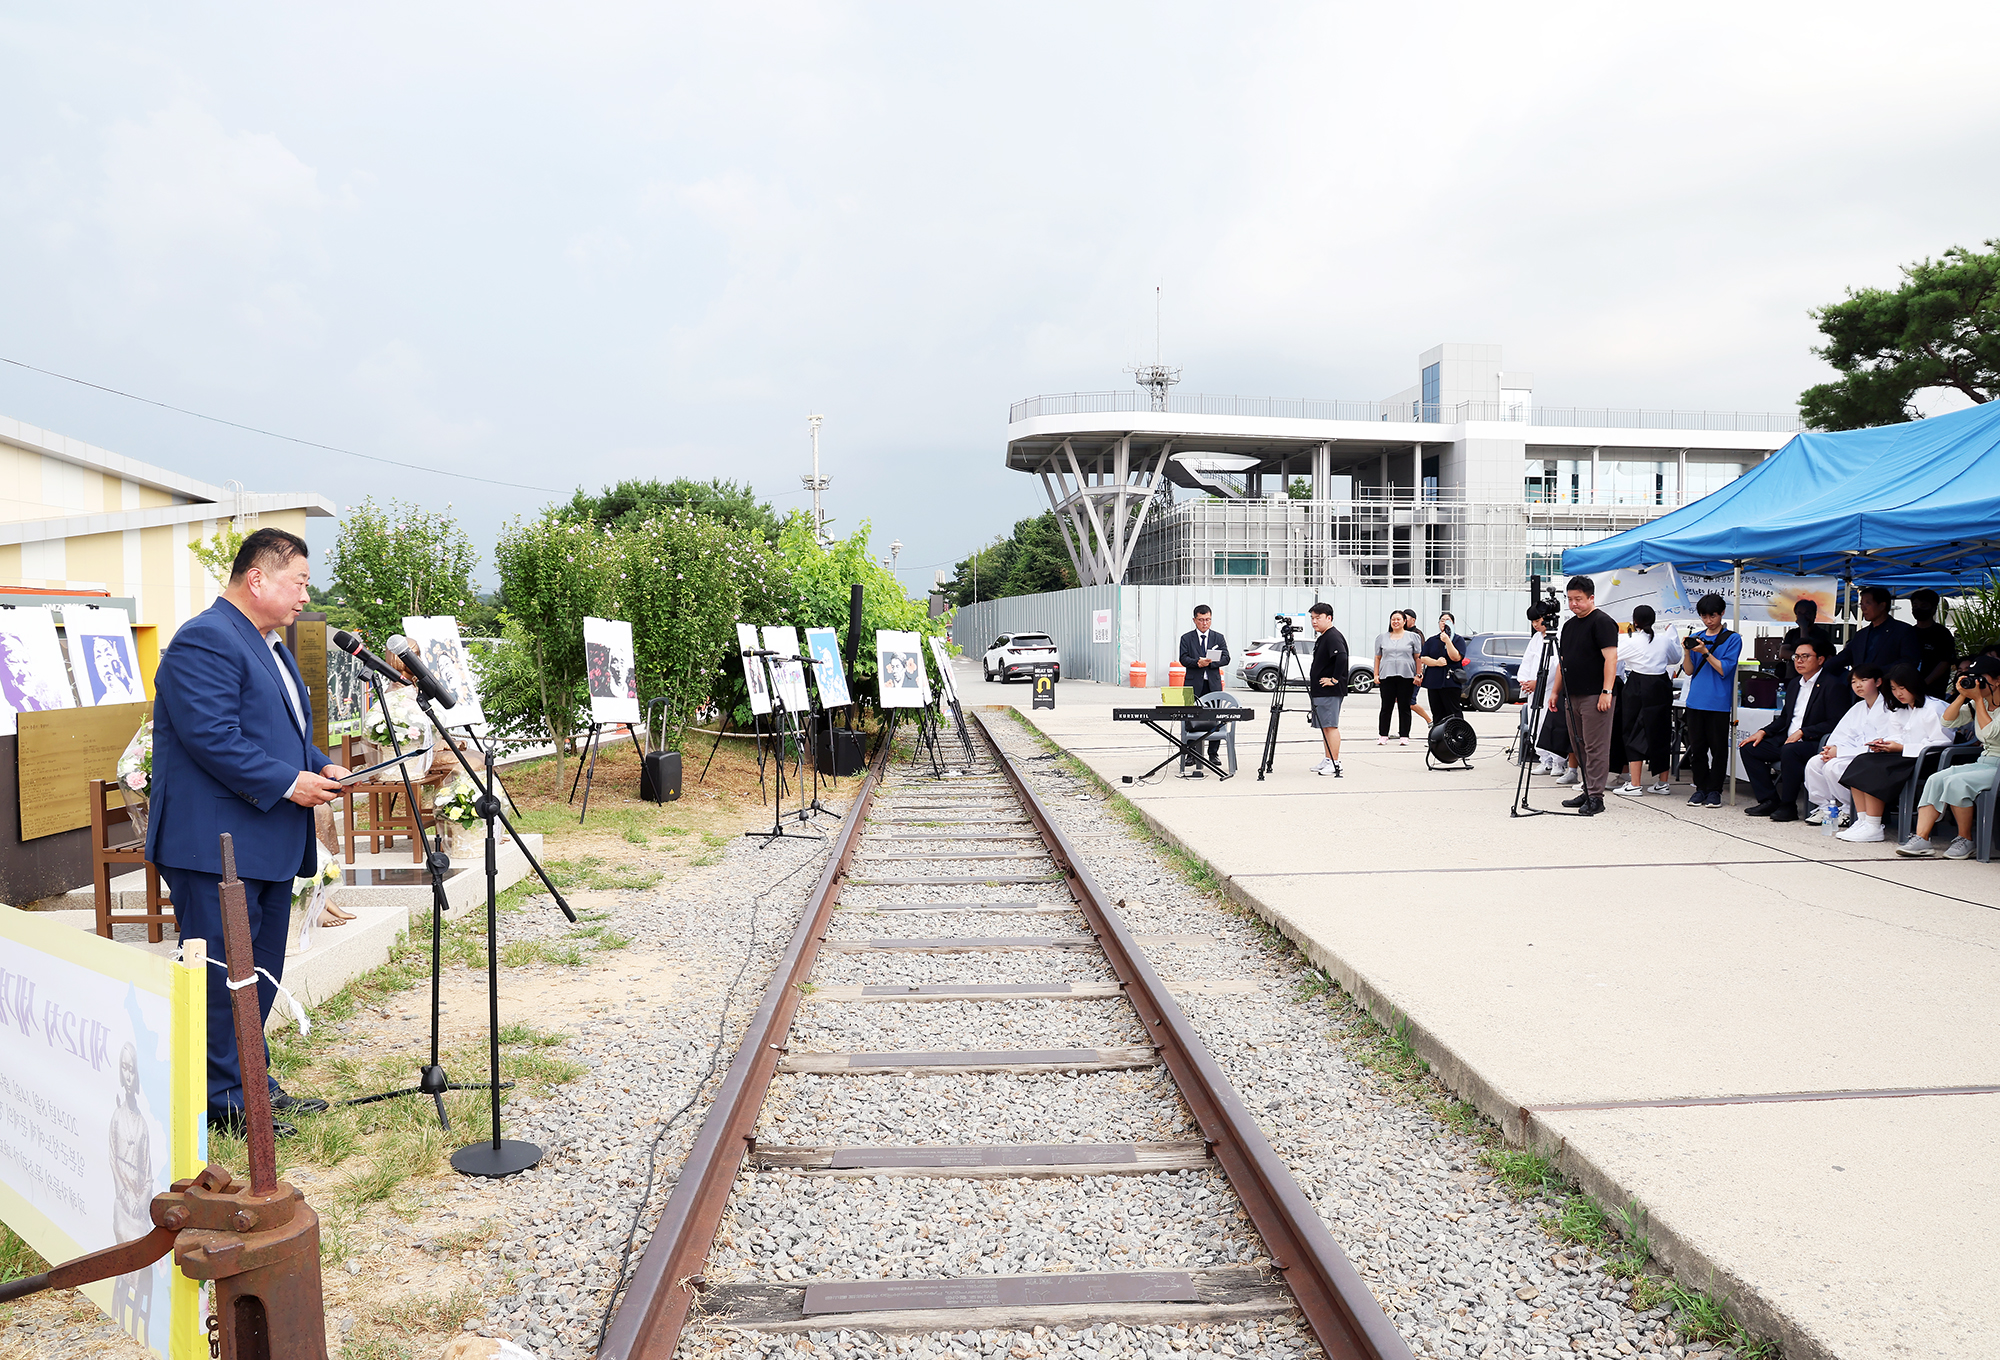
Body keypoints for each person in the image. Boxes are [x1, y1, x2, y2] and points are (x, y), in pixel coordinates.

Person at [145, 528, 346, 1140]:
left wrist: (317, 762)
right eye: (299, 582)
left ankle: (249, 1084)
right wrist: (292, 784)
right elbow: (213, 737)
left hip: (263, 840)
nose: (305, 597)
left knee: (258, 970)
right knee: (221, 974)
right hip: (215, 846)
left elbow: (276, 731)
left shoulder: (270, 645)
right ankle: (220, 1098)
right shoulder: (205, 639)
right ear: (257, 579)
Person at [1837, 664, 1958, 842]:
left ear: (1914, 685)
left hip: (1928, 759)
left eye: (1902, 688)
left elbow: (1941, 742)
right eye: (1893, 688)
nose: (1898, 693)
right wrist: (1884, 743)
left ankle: (1873, 824)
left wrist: (1900, 748)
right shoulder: (1900, 708)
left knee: (1875, 768)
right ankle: (1862, 820)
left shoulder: (1934, 707)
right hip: (1903, 755)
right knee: (1862, 760)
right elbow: (1897, 735)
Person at [1895, 654, 2000, 858]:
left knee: (1957, 781)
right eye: (1972, 677)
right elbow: (1947, 721)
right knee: (1936, 779)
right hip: (1984, 762)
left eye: (1981, 677)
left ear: (1997, 680)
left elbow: (1988, 733)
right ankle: (1922, 838)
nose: (1976, 682)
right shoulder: (1980, 704)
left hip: (1998, 767)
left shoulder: (1983, 703)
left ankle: (1965, 839)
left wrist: (1977, 698)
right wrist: (1962, 695)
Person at [1738, 635, 1851, 821]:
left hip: (1814, 742)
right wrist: (1763, 731)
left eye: (1805, 656)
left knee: (1791, 751)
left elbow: (1836, 721)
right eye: (1796, 657)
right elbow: (1785, 718)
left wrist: (1804, 732)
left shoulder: (1833, 685)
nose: (1799, 661)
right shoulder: (1794, 684)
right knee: (1750, 748)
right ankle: (1769, 800)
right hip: (1788, 738)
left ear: (1820, 659)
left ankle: (1788, 806)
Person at [1546, 575, 1619, 815]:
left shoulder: (1602, 622)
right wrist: (1556, 691)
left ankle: (1596, 796)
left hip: (1595, 695)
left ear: (1591, 598)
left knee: (1595, 746)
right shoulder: (1569, 625)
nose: (1573, 604)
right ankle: (1588, 789)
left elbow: (1611, 658)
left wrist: (1606, 691)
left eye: (1578, 599)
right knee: (1579, 746)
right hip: (1572, 694)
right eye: (1570, 599)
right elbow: (1562, 662)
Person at [1802, 664, 1890, 822]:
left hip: (1872, 756)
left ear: (1878, 682)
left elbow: (1880, 744)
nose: (1858, 685)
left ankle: (1849, 809)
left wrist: (1840, 753)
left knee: (1834, 767)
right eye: (1854, 682)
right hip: (1850, 752)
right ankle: (1826, 808)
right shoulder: (1857, 707)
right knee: (1815, 763)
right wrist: (1832, 750)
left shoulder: (1889, 708)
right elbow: (1842, 734)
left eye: (1863, 680)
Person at [1611, 604, 1681, 796]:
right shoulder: (1664, 640)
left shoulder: (1630, 640)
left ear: (1635, 622)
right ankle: (1663, 783)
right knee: (1661, 730)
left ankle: (1634, 784)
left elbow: (1612, 657)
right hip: (1660, 685)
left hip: (1637, 685)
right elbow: (1675, 658)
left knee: (1632, 730)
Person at [1679, 595, 1741, 808]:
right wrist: (1687, 651)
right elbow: (1688, 671)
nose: (1708, 620)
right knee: (1697, 749)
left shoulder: (1733, 639)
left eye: (1712, 615)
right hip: (1695, 701)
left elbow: (1724, 669)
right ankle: (1700, 789)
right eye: (1704, 616)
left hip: (1719, 702)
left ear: (1722, 613)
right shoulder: (1696, 637)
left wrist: (1705, 652)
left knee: (1719, 749)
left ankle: (1715, 791)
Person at [1177, 606, 1230, 773]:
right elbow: (1183, 658)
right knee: (1190, 717)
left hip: (1212, 684)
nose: (1204, 623)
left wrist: (1210, 663)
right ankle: (1191, 752)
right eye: (1201, 620)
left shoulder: (1218, 637)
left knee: (1215, 716)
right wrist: (1197, 663)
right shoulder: (1187, 638)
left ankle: (1213, 753)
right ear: (1194, 620)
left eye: (1207, 620)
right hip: (1193, 684)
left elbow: (1226, 657)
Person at [1517, 602, 1565, 777]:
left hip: (1550, 689)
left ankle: (1558, 761)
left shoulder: (1557, 636)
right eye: (1532, 622)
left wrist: (1539, 682)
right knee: (1535, 723)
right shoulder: (1536, 638)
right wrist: (1524, 681)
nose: (1535, 625)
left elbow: (1555, 665)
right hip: (1534, 690)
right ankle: (1544, 760)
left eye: (1537, 620)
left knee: (1551, 724)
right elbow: (1527, 660)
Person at [1836, 585, 1921, 674]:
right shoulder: (1861, 634)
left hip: (1887, 685)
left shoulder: (1903, 631)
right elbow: (1844, 656)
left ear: (1882, 606)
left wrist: (1877, 673)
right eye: (1861, 604)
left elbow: (1909, 661)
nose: (1863, 608)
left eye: (1867, 603)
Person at [1306, 603, 1348, 777]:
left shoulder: (1333, 636)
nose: (1314, 621)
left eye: (1318, 618)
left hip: (1330, 690)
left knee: (1330, 726)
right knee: (1324, 726)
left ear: (1329, 618)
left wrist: (1334, 679)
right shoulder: (1323, 636)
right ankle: (1328, 758)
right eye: (1312, 618)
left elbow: (1342, 657)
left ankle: (1335, 762)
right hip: (1320, 690)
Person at [1373, 611, 1420, 745]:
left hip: (1406, 675)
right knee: (1386, 706)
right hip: (1387, 675)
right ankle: (1383, 735)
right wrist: (1376, 674)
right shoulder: (1382, 638)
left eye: (1398, 619)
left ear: (1404, 621)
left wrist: (1418, 674)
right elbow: (1377, 657)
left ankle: (1404, 735)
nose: (1395, 622)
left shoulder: (1413, 637)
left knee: (1404, 706)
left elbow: (1418, 657)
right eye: (1393, 619)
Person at [1417, 612, 1465, 723]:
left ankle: (1457, 735)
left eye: (1448, 620)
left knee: (1453, 711)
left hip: (1451, 682)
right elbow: (1423, 658)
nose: (1444, 623)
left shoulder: (1458, 640)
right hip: (1434, 681)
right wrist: (1436, 662)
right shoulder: (1432, 640)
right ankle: (1438, 737)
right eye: (1442, 620)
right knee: (1437, 712)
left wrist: (1448, 641)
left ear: (1453, 624)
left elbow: (1456, 657)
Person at [1909, 590, 1957, 700]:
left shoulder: (1942, 633)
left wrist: (1924, 683)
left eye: (1923, 606)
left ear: (1933, 609)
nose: (1918, 609)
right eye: (1915, 606)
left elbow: (1945, 662)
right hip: (1909, 687)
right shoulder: (1909, 632)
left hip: (1933, 691)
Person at [1779, 600, 1834, 677]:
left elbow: (1806, 648)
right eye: (1800, 614)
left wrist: (1803, 628)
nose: (1803, 617)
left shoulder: (1822, 634)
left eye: (1807, 613)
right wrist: (1796, 657)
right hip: (1793, 676)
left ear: (1814, 615)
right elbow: (1782, 653)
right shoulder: (1792, 633)